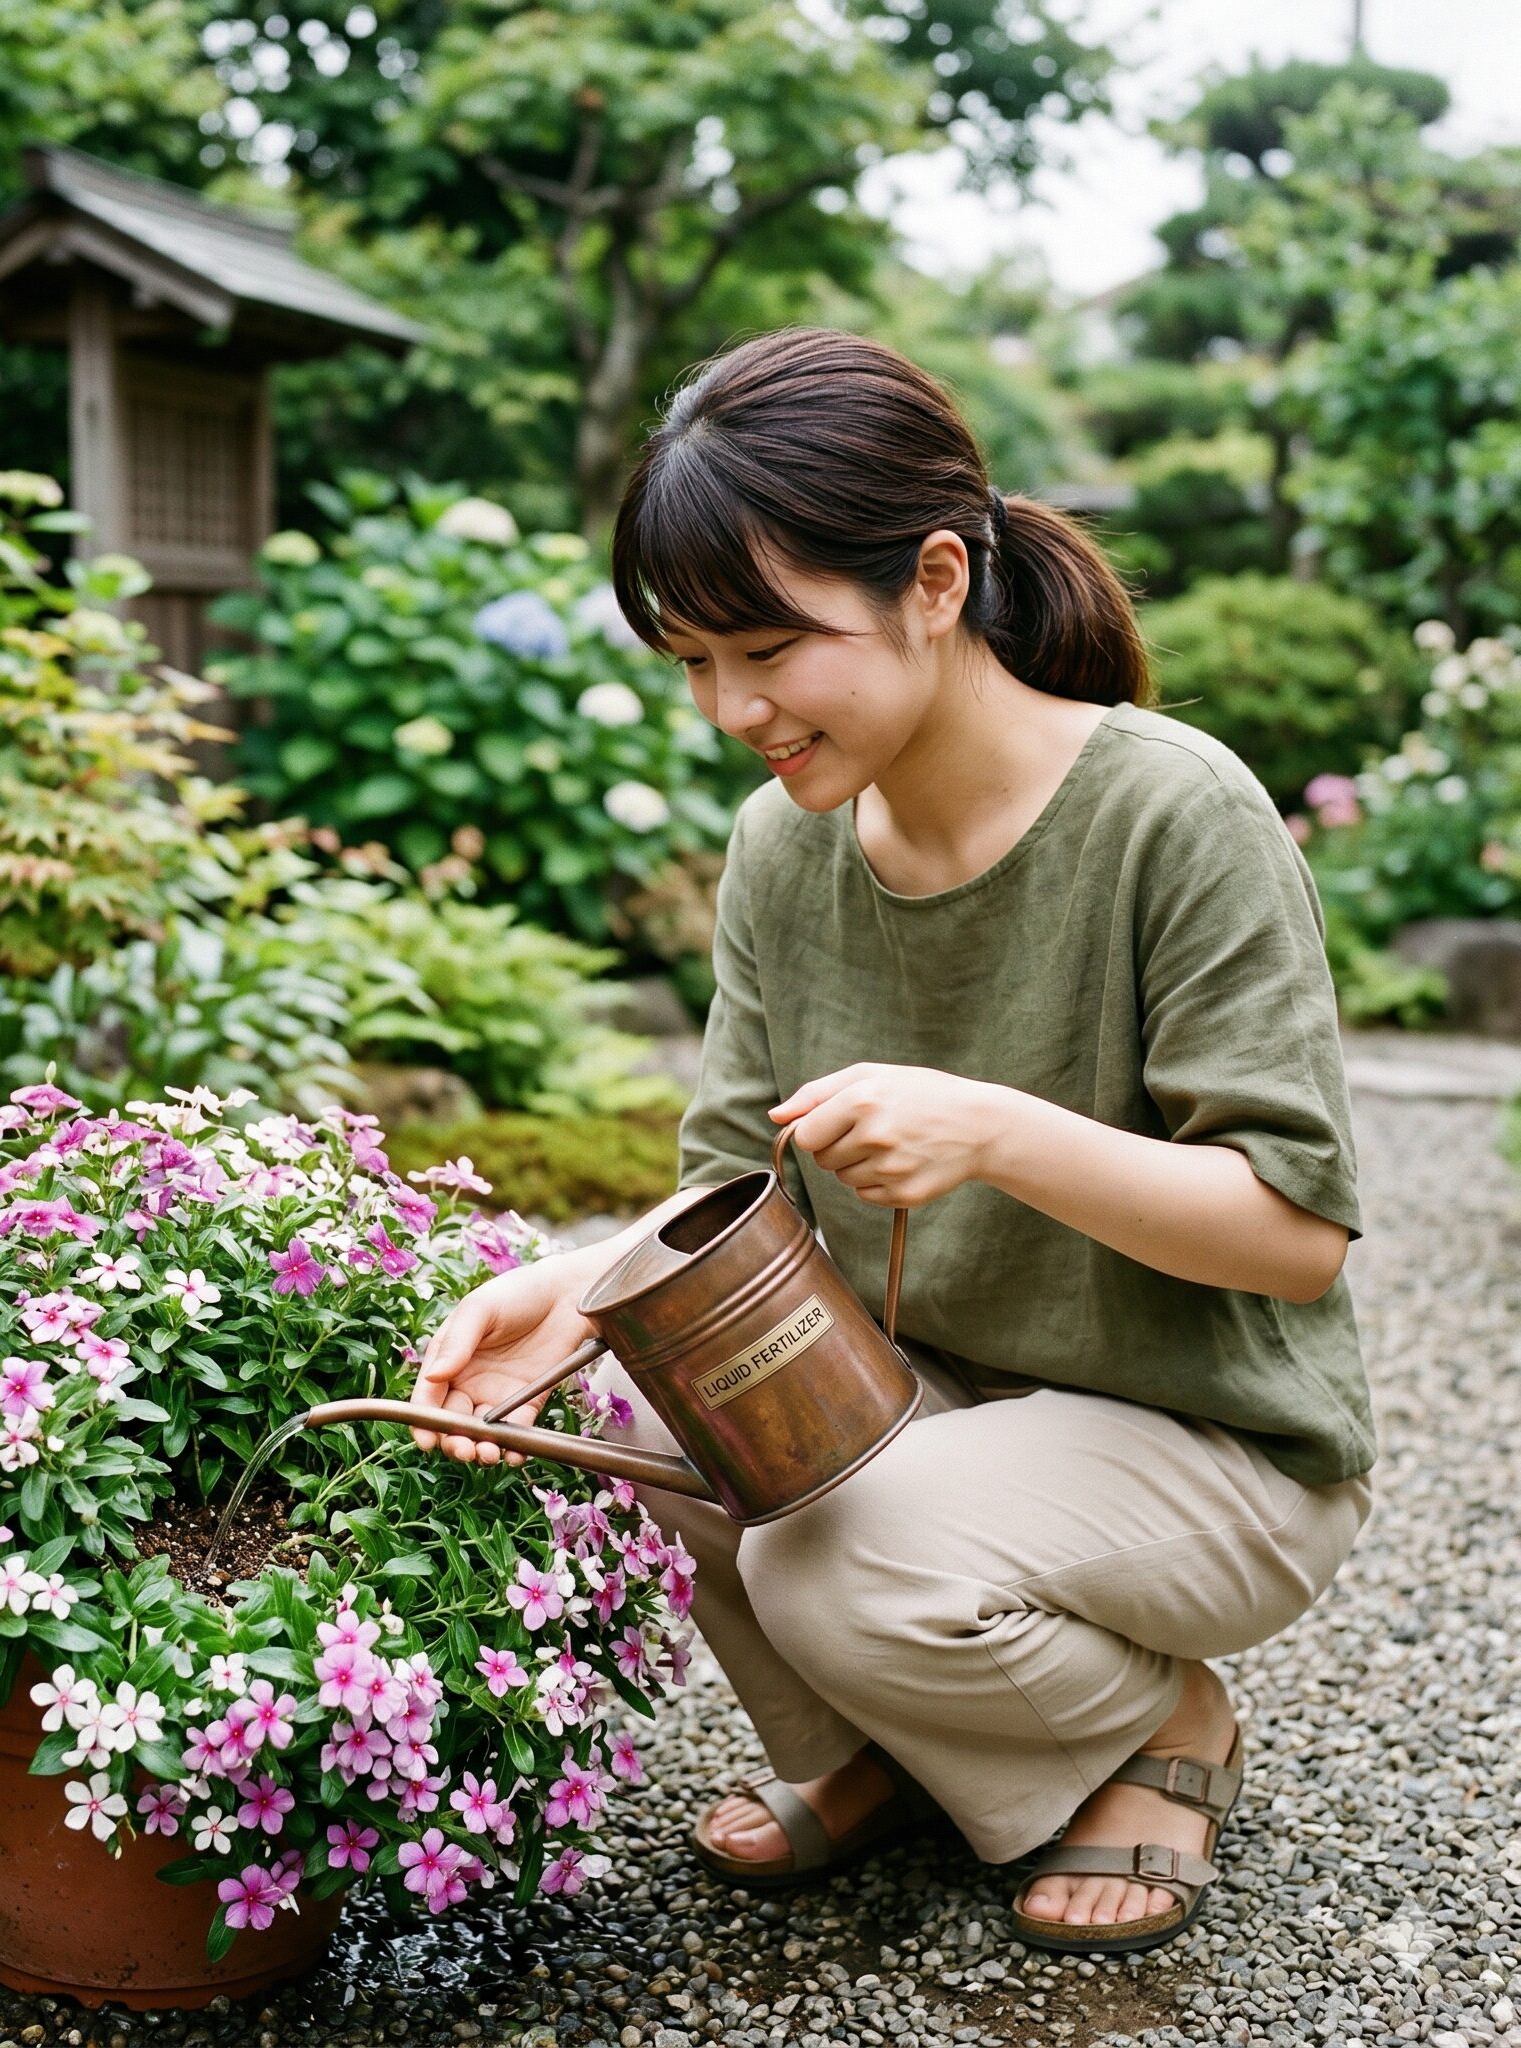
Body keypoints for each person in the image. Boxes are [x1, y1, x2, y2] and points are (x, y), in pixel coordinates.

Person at [408, 328, 1374, 1955]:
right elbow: (732, 1197)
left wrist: (996, 1133)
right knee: (636, 1393)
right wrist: (564, 1292)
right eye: (692, 660)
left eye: (767, 647)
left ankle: (1162, 1725)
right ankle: (873, 1749)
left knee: (835, 1561)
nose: (731, 709)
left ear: (936, 580)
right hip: (932, 1415)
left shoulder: (1172, 811)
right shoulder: (785, 845)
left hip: (1213, 1446)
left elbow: (1293, 1236)